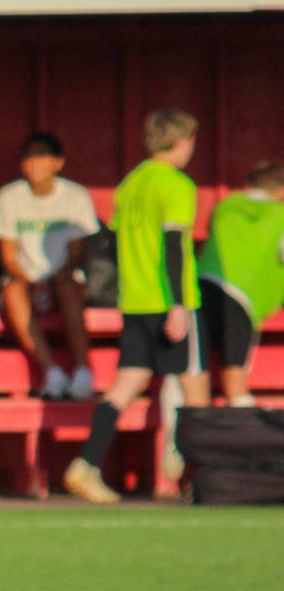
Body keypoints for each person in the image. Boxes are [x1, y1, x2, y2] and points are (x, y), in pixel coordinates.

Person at [66, 109, 209, 504]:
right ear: (182, 142)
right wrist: (179, 304)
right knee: (195, 387)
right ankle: (201, 481)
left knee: (125, 386)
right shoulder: (176, 184)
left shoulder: (130, 184)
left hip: (135, 301)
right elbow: (174, 246)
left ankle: (87, 463)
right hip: (170, 300)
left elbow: (113, 244)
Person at [0, 132, 101, 401]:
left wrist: (52, 281)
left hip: (63, 278)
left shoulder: (75, 196)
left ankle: (83, 371)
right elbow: (9, 257)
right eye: (28, 157)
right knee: (12, 292)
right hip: (25, 280)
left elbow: (75, 254)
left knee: (69, 288)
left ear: (58, 163)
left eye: (42, 157)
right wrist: (33, 282)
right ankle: (52, 372)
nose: (34, 164)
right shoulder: (9, 197)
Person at [198, 158, 284, 407]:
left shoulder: (225, 206)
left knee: (194, 370)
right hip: (242, 298)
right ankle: (243, 431)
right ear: (280, 191)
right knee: (234, 370)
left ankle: (185, 435)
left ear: (249, 184)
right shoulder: (279, 215)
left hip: (201, 289)